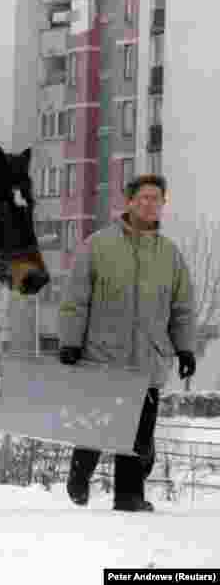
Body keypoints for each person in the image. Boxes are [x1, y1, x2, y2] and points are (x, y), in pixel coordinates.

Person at [58, 174, 197, 512]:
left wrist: (185, 348)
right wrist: (70, 341)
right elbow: (76, 299)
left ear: (163, 204)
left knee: (139, 437)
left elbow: (182, 308)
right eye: (144, 197)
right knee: (96, 427)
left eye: (157, 198)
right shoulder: (98, 245)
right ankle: (79, 476)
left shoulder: (170, 255)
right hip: (103, 356)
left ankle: (129, 497)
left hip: (148, 359)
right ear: (130, 202)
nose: (151, 204)